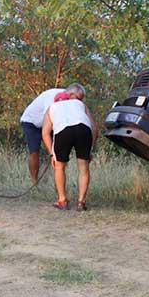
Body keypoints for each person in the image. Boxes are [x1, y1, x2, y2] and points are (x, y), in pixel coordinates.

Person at [41, 83, 95, 211]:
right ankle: (81, 202)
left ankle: (62, 200)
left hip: (63, 131)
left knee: (59, 166)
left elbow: (45, 133)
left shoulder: (52, 107)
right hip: (83, 129)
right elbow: (94, 128)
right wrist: (91, 148)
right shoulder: (81, 105)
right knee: (83, 167)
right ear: (71, 95)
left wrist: (51, 154)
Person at [20, 87, 64, 184]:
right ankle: (34, 183)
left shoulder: (71, 101)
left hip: (48, 124)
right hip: (31, 122)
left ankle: (58, 184)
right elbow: (48, 118)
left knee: (58, 154)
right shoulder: (52, 96)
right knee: (34, 152)